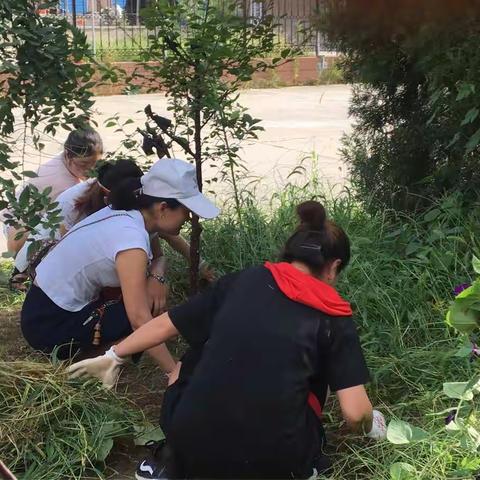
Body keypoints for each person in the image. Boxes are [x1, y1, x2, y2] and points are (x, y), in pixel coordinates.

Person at [68, 200, 387, 480]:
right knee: (311, 372)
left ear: (288, 253)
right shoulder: (334, 316)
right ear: (333, 268)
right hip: (278, 461)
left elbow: (167, 324)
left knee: (189, 363)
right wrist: (372, 425)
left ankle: (168, 460)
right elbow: (355, 413)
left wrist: (114, 355)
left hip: (193, 448)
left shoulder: (241, 281)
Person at [21, 158, 220, 376]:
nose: (190, 219)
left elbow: (159, 259)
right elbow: (139, 319)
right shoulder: (130, 238)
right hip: (49, 323)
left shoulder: (131, 215)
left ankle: (100, 349)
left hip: (41, 306)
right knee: (146, 312)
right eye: (187, 211)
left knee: (146, 302)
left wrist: (157, 276)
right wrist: (173, 372)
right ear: (163, 208)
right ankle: (86, 361)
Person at [4, 127, 103, 255]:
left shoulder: (66, 161)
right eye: (83, 165)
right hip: (19, 231)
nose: (89, 170)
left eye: (95, 164)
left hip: (23, 218)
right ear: (68, 154)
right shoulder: (64, 184)